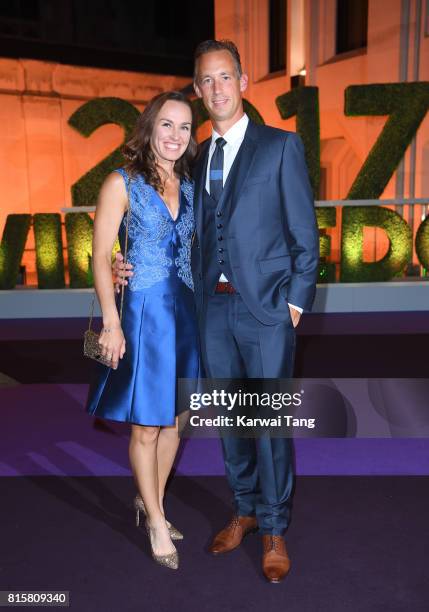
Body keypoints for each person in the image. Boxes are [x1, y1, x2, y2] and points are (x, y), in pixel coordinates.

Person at [114, 39, 319, 583]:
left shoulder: (281, 146)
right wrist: (119, 262)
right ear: (199, 91)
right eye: (206, 81)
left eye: (225, 77)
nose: (216, 88)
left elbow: (305, 234)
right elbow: (173, 230)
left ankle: (275, 525)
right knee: (230, 420)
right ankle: (246, 510)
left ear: (244, 81)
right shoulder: (196, 155)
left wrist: (295, 303)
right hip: (211, 311)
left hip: (267, 311)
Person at [85, 91, 200, 571]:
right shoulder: (121, 182)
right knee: (147, 424)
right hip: (142, 316)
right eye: (167, 125)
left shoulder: (192, 186)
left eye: (186, 128)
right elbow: (99, 254)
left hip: (186, 313)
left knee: (176, 421)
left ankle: (148, 498)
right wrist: (111, 321)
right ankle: (154, 518)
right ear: (150, 128)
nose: (175, 136)